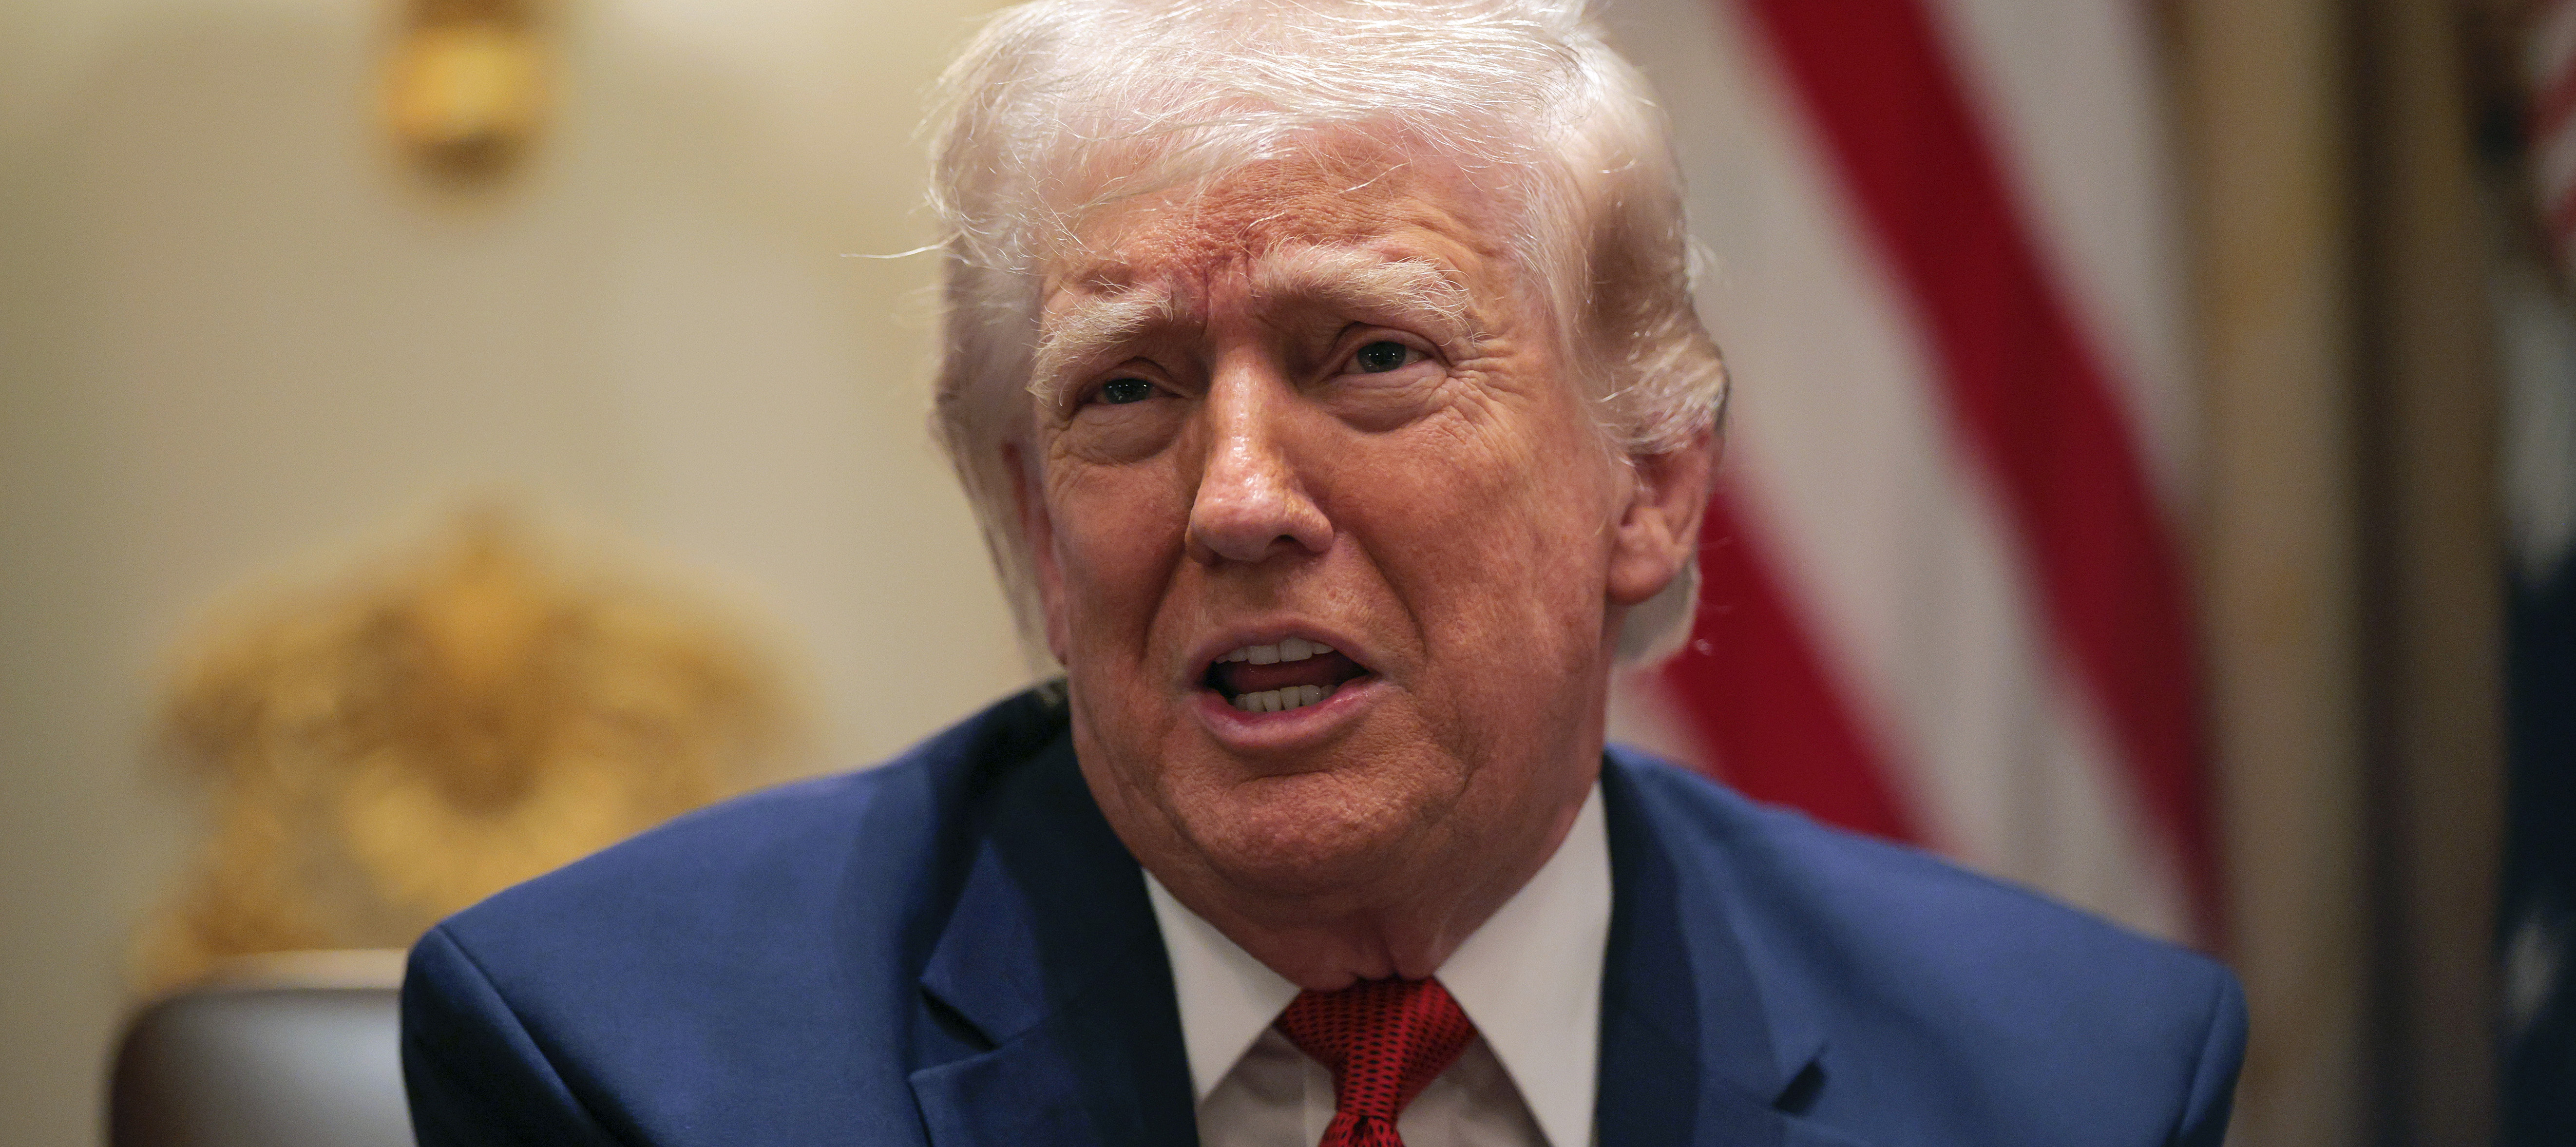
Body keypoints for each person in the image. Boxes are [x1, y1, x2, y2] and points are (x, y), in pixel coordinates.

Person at [399, 0, 2247, 1143]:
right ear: (1040, 531)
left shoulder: (2061, 1080)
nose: (1240, 499)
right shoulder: (628, 1067)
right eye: (1127, 389)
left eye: (1371, 354)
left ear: (1652, 489)